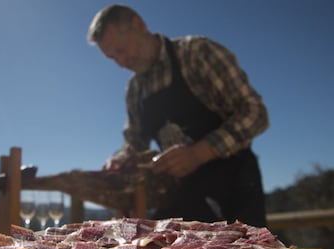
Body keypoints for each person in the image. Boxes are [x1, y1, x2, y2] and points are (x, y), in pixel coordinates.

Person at [87, 4, 269, 227]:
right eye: (112, 57)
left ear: (139, 25)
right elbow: (134, 145)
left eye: (122, 50)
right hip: (182, 194)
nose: (121, 63)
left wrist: (198, 153)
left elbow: (255, 113)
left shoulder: (196, 53)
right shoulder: (135, 90)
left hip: (235, 188)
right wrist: (119, 161)